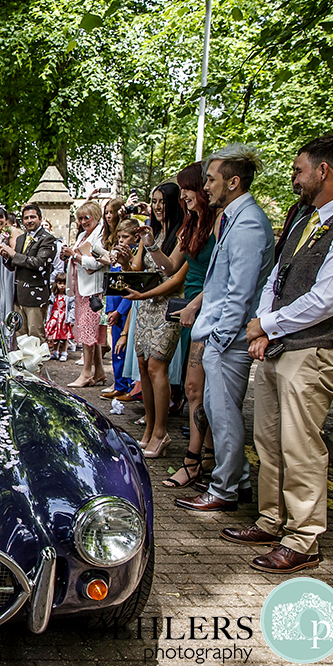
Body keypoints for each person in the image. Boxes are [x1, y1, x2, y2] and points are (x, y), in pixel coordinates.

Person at [223, 135, 333, 572]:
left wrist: (266, 324)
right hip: (280, 346)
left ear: (323, 170)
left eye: (298, 170)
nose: (295, 178)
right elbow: (279, 276)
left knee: (301, 445)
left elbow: (328, 299)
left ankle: (304, 539)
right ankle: (271, 519)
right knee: (268, 440)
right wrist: (263, 327)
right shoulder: (308, 217)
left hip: (316, 351)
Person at [174, 144, 275, 513]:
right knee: (219, 412)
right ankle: (240, 481)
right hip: (220, 333)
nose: (207, 185)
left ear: (233, 182)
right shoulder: (234, 217)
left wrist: (219, 336)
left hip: (227, 337)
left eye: (212, 179)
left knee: (224, 415)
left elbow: (241, 290)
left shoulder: (248, 222)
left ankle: (223, 490)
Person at [141, 162, 218, 488]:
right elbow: (171, 265)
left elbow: (210, 276)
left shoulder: (218, 224)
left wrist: (196, 302)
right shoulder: (194, 225)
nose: (184, 194)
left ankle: (202, 461)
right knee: (192, 389)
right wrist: (151, 243)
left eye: (189, 188)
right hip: (190, 311)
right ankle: (201, 460)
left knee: (200, 390)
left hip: (202, 308)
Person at [120, 183, 185, 458]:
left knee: (158, 366)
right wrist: (124, 263)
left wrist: (144, 292)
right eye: (154, 202)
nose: (158, 207)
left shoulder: (183, 233)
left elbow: (173, 275)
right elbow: (137, 269)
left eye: (162, 202)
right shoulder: (151, 229)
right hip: (144, 305)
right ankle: (148, 429)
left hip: (168, 305)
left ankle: (161, 431)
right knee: (144, 366)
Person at [60, 201, 107, 387]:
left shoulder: (101, 235)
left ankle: (87, 373)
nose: (82, 221)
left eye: (86, 217)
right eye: (80, 218)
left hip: (94, 290)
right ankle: (100, 371)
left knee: (89, 331)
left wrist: (76, 255)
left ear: (96, 216)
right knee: (87, 330)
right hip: (81, 287)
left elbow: (98, 262)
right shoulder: (81, 234)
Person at [4, 203, 56, 339]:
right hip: (19, 296)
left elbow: (39, 263)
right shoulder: (21, 238)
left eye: (32, 217)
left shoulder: (48, 239)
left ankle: (38, 362)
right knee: (20, 337)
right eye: (26, 218)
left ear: (40, 218)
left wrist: (14, 255)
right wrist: (7, 256)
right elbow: (14, 265)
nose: (29, 221)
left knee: (35, 337)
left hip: (36, 296)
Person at [102, 219, 139, 401]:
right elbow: (112, 286)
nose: (122, 241)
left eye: (126, 237)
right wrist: (110, 310)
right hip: (114, 308)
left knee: (126, 348)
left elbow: (131, 288)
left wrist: (119, 311)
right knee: (116, 349)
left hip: (126, 309)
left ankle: (130, 386)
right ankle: (119, 384)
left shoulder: (135, 258)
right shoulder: (115, 257)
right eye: (120, 237)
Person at [45, 273, 72, 360]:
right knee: (55, 336)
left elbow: (72, 308)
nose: (62, 286)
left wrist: (71, 319)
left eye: (64, 284)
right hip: (55, 318)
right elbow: (50, 307)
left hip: (64, 318)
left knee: (64, 336)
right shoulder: (54, 296)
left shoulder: (68, 297)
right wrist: (48, 318)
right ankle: (55, 351)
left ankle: (64, 352)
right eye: (60, 283)